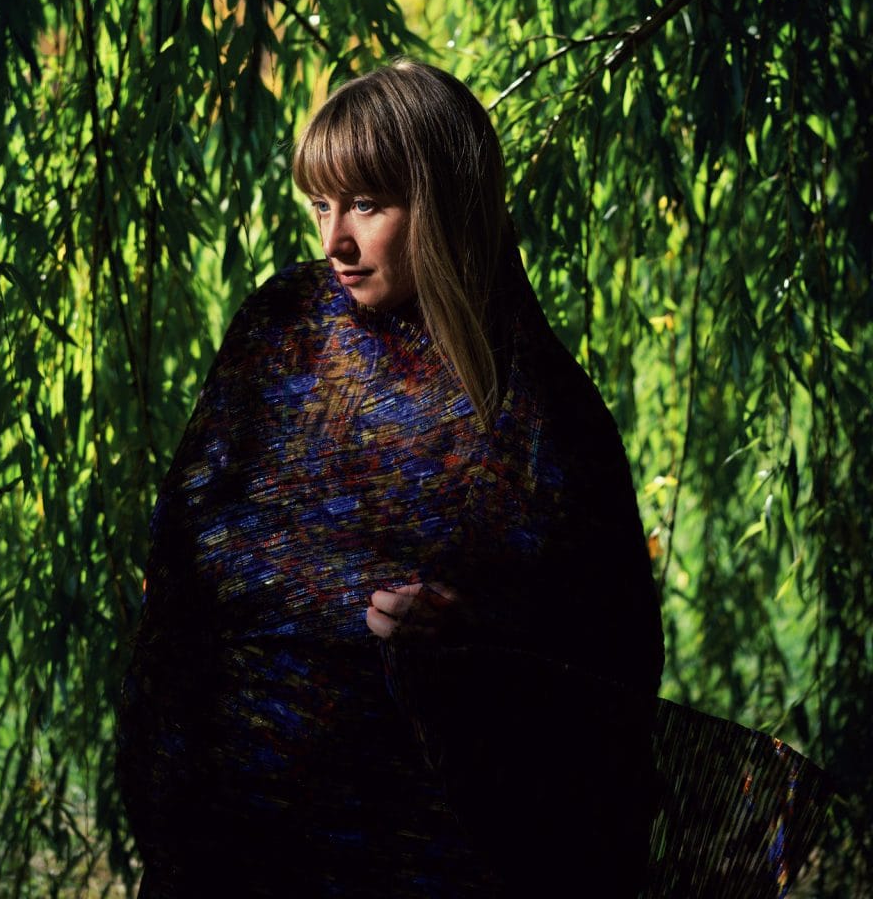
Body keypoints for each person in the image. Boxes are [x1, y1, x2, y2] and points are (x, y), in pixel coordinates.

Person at [116, 60, 665, 897]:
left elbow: (609, 658)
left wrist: (475, 634)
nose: (335, 241)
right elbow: (187, 552)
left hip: (423, 861)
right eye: (321, 206)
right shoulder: (280, 332)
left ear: (445, 202)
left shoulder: (537, 406)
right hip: (227, 839)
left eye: (367, 206)